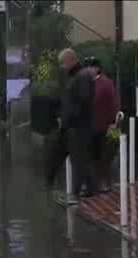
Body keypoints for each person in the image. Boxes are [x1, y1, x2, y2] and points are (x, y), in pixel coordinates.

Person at [57, 48, 96, 204]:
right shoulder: (78, 76)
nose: (62, 66)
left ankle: (75, 193)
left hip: (79, 125)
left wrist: (69, 119)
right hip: (77, 124)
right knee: (80, 159)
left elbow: (82, 102)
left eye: (63, 63)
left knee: (78, 159)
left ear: (70, 60)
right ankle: (90, 187)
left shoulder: (82, 77)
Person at [85, 57, 120, 193]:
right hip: (89, 127)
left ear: (97, 68)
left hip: (108, 126)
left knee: (108, 155)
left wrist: (114, 123)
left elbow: (114, 103)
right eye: (86, 67)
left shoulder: (107, 83)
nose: (88, 69)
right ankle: (92, 185)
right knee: (90, 156)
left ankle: (108, 183)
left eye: (91, 66)